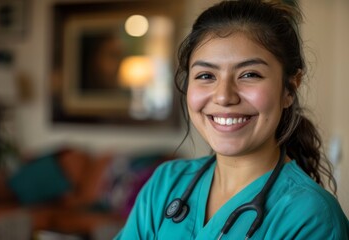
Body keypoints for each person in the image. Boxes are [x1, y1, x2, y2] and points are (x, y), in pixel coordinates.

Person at [114, 0, 349, 239]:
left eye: (249, 74)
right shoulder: (166, 183)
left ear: (289, 89)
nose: (224, 96)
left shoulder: (311, 218)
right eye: (206, 75)